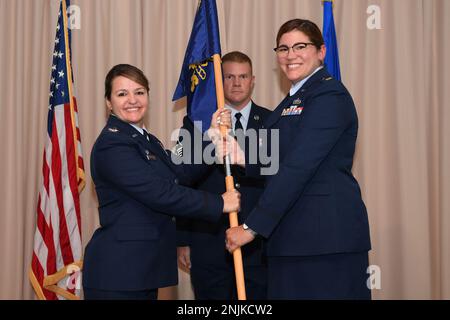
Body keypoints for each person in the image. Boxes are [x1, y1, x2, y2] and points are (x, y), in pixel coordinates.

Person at [223, 19, 372, 299]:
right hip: (291, 239)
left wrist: (251, 227)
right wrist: (238, 154)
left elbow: (298, 166)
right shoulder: (291, 101)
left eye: (300, 46)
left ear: (321, 51)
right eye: (283, 48)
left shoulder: (329, 95)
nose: (290, 55)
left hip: (324, 240)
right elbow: (277, 156)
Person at [82, 64, 240, 300]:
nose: (132, 100)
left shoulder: (145, 139)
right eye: (122, 94)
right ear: (108, 101)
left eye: (139, 92)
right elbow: (161, 193)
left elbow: (179, 173)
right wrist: (219, 203)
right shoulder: (112, 145)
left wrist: (213, 138)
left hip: (142, 270)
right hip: (119, 273)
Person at [176, 52, 271, 299]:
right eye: (229, 76)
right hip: (208, 242)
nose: (236, 83)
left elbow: (278, 180)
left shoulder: (272, 122)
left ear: (253, 80)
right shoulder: (195, 124)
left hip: (257, 243)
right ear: (219, 81)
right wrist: (183, 239)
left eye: (243, 76)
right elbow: (185, 182)